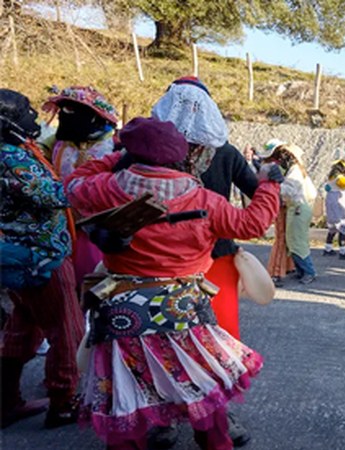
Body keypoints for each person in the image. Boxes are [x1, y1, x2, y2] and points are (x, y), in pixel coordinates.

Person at [66, 117, 281, 449]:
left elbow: (72, 184)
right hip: (185, 309)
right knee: (201, 381)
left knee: (127, 388)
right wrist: (268, 186)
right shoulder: (204, 200)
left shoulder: (107, 188)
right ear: (183, 155)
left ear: (131, 152)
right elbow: (253, 223)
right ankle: (215, 442)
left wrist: (113, 157)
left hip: (123, 310)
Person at [151, 76, 260, 446]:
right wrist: (270, 187)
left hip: (163, 260)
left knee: (163, 336)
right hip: (213, 258)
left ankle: (168, 418)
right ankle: (214, 415)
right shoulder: (224, 150)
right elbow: (255, 191)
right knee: (217, 338)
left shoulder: (146, 149)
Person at [0, 89, 85, 429]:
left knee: (22, 327)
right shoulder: (12, 158)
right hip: (41, 256)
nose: (34, 117)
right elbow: (54, 194)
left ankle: (6, 401)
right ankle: (63, 402)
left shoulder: (16, 150)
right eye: (25, 112)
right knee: (66, 328)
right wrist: (100, 180)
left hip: (18, 255)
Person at [40, 85, 119, 287]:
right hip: (58, 216)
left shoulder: (113, 146)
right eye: (63, 110)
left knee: (89, 270)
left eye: (71, 111)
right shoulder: (57, 141)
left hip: (93, 221)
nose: (63, 116)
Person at [262, 139, 318, 284]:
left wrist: (277, 184)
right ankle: (301, 270)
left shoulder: (295, 171)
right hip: (297, 208)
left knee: (297, 242)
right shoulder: (297, 169)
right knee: (293, 241)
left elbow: (290, 190)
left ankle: (309, 272)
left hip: (298, 208)